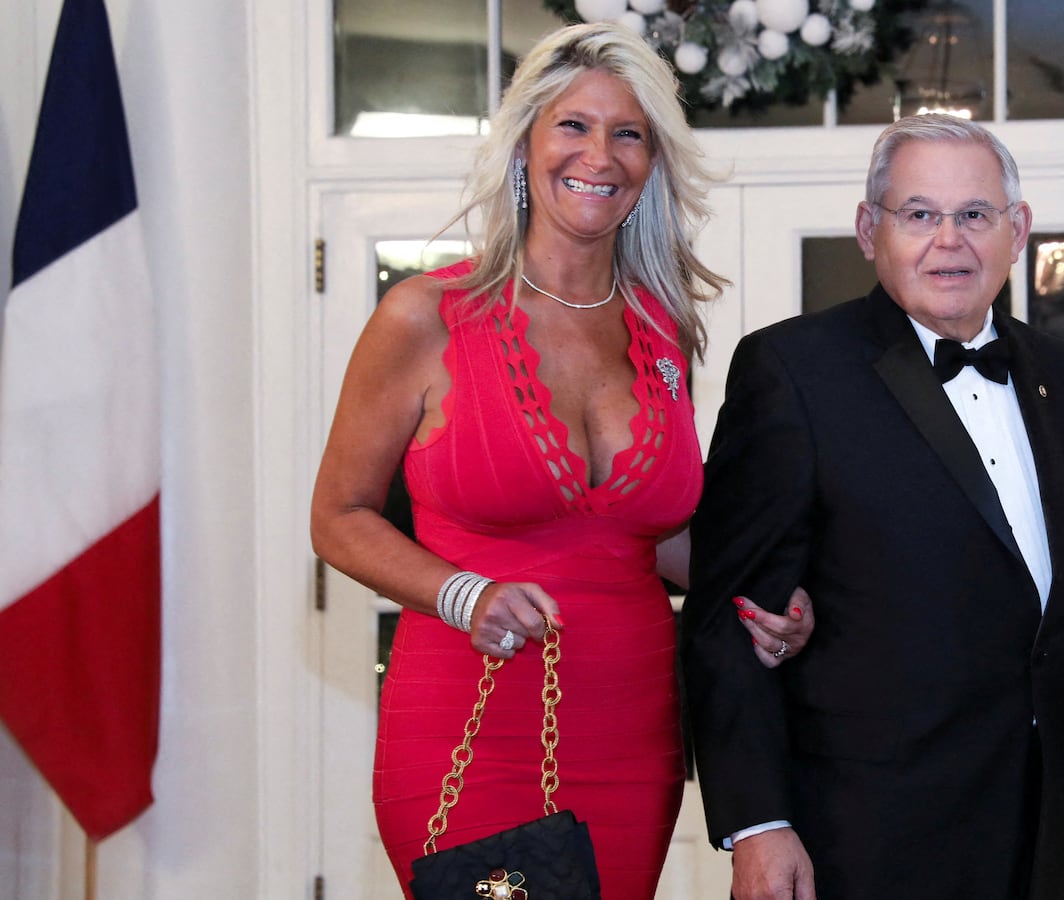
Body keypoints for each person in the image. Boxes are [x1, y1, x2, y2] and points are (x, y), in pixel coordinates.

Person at [682, 114, 1064, 899]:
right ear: (868, 229)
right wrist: (758, 822)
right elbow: (727, 619)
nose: (949, 240)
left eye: (975, 215)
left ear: (1017, 231)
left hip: (1045, 835)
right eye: (919, 214)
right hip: (860, 839)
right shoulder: (792, 371)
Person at [309, 23, 812, 900]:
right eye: (574, 126)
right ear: (526, 145)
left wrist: (762, 596)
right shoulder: (428, 316)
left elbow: (638, 539)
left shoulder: (662, 330)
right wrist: (465, 592)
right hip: (470, 715)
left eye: (630, 133)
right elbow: (338, 517)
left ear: (653, 162)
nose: (600, 154)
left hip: (631, 728)